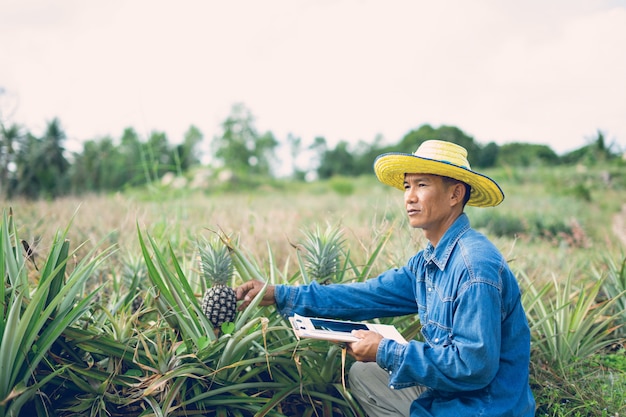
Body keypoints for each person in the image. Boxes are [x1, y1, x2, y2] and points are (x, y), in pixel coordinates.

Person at [236, 140, 536, 417]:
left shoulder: (474, 267)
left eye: (422, 185)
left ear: (455, 194)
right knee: (365, 375)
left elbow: (472, 367)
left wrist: (384, 350)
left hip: (484, 407)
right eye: (407, 186)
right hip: (450, 393)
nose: (410, 197)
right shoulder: (428, 262)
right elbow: (366, 295)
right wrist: (281, 294)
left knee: (378, 368)